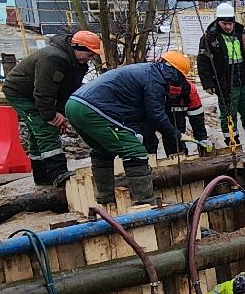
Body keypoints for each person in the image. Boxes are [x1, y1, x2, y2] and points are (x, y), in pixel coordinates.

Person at [63, 51, 190, 206]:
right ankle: (145, 202)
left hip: (75, 105)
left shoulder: (148, 71)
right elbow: (155, 115)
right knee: (134, 151)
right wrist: (176, 134)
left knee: (103, 150)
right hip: (93, 109)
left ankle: (106, 199)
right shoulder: (155, 80)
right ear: (175, 73)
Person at [4, 29, 102, 185]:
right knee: (44, 128)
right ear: (78, 48)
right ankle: (58, 173)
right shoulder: (53, 59)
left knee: (36, 131)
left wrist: (60, 113)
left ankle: (41, 177)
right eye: (89, 54)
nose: (90, 59)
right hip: (21, 93)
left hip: (39, 94)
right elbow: (43, 91)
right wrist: (50, 116)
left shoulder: (77, 64)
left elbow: (68, 90)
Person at [195, 1, 245, 146]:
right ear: (218, 22)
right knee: (228, 115)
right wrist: (208, 83)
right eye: (225, 24)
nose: (228, 27)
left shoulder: (240, 33)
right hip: (226, 84)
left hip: (243, 81)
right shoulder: (210, 39)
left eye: (230, 23)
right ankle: (232, 143)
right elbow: (203, 63)